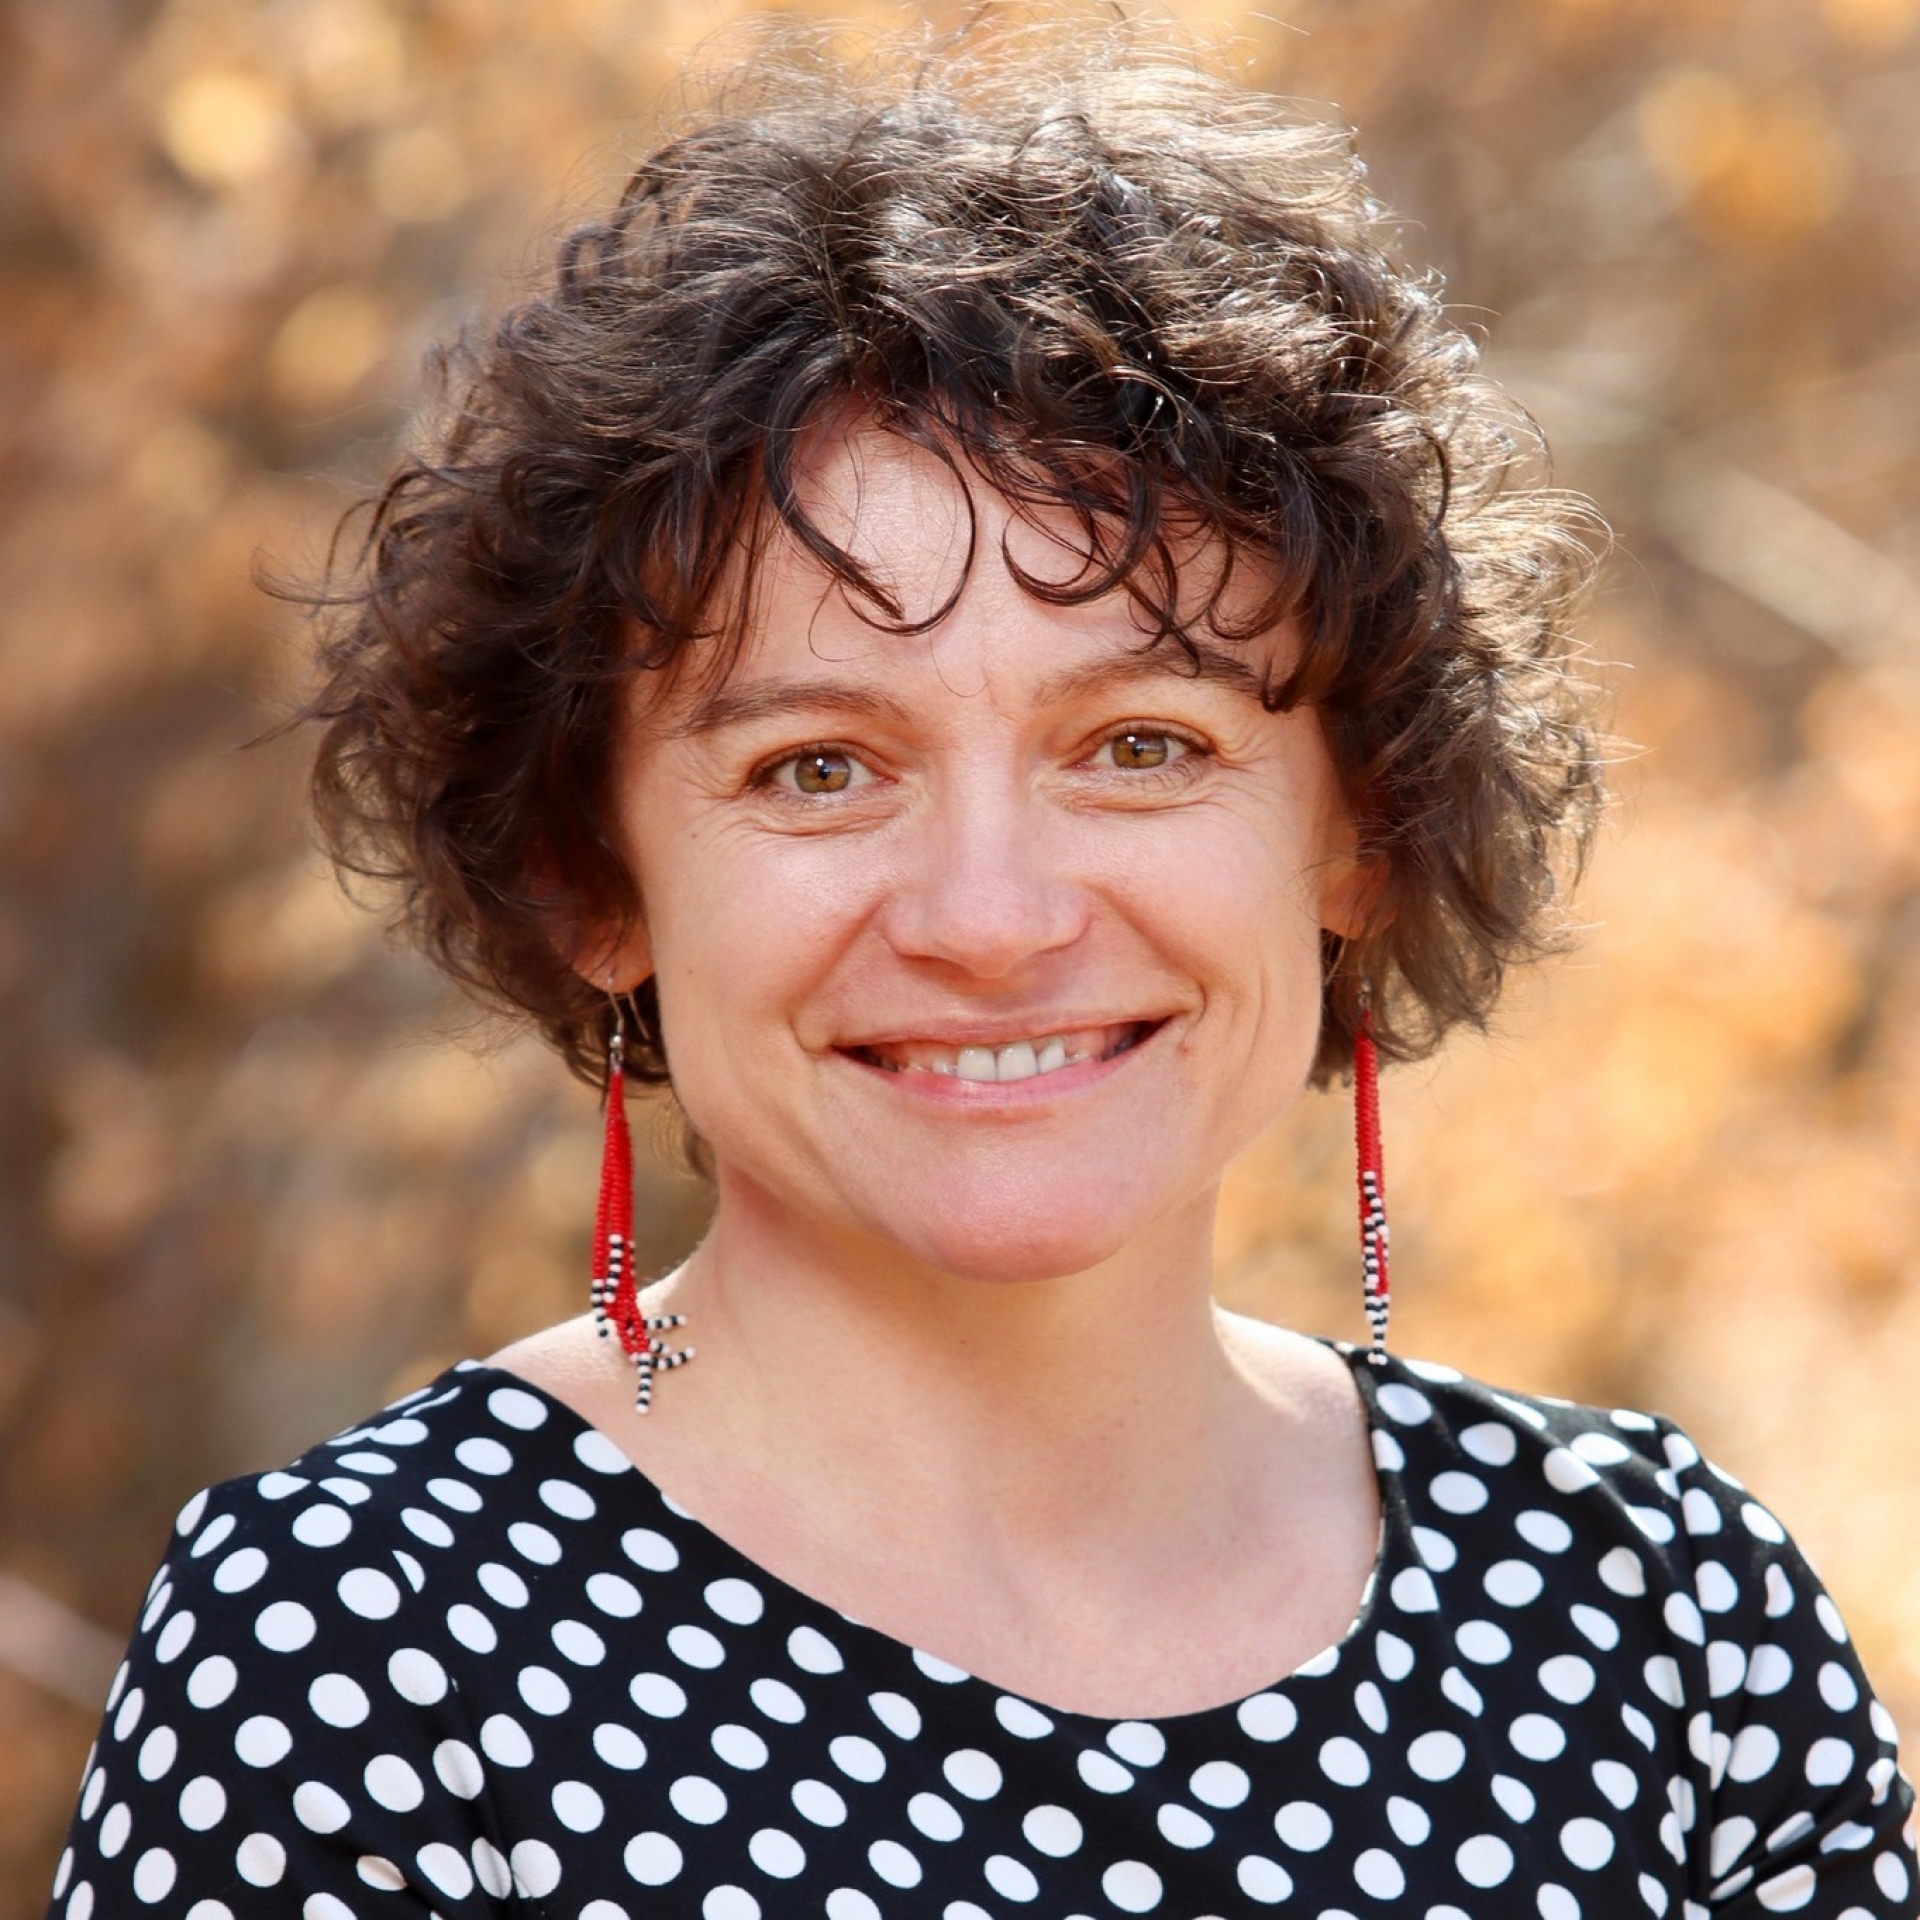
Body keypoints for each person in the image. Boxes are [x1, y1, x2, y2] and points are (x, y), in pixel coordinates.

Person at [47, 28, 1918, 1920]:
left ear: (1360, 832)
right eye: (819, 769)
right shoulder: (365, 1655)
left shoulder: (1663, 1621)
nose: (992, 915)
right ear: (592, 882)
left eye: (1142, 745)